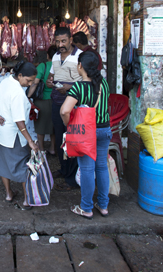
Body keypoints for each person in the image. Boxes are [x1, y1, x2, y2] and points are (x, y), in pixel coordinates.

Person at [60, 51, 111, 219]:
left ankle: (86, 208)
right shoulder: (104, 84)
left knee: (87, 169)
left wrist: (68, 124)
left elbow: (64, 110)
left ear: (80, 66)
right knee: (102, 167)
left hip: (87, 134)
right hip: (104, 130)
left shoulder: (78, 87)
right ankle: (103, 206)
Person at [0, 61, 40, 210]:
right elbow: (19, 122)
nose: (30, 84)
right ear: (19, 75)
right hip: (12, 136)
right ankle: (26, 200)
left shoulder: (6, 81)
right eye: (28, 80)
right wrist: (30, 141)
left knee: (2, 164)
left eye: (32, 81)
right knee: (24, 167)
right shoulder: (18, 92)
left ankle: (9, 194)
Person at [46, 27, 82, 191]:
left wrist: (69, 87)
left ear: (71, 40)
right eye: (57, 41)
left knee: (72, 140)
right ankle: (63, 169)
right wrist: (49, 81)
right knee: (60, 139)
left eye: (63, 41)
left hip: (74, 105)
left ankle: (71, 178)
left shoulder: (80, 56)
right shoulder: (55, 56)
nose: (60, 44)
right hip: (57, 103)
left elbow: (87, 82)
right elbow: (52, 75)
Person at [26, 45, 57, 154]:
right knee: (54, 125)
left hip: (41, 101)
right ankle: (53, 149)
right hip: (55, 100)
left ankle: (42, 149)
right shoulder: (60, 66)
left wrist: (28, 97)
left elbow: (35, 83)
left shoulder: (42, 66)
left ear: (48, 55)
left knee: (40, 126)